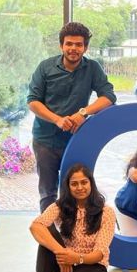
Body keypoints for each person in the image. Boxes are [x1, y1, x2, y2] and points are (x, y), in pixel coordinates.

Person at [27, 22, 116, 212]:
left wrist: (83, 113)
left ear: (85, 47)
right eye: (69, 44)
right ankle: (49, 237)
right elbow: (33, 101)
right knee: (47, 193)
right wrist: (57, 119)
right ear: (61, 46)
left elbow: (108, 97)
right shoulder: (45, 67)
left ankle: (74, 236)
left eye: (78, 44)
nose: (73, 48)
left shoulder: (92, 68)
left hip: (76, 141)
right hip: (45, 141)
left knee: (77, 192)